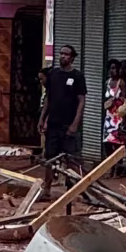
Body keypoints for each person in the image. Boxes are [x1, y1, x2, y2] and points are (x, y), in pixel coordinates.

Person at [40, 43, 88, 185]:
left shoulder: (77, 76)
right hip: (53, 124)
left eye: (66, 54)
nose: (62, 56)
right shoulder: (53, 74)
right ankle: (47, 188)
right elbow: (48, 98)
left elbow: (81, 101)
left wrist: (75, 124)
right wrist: (42, 118)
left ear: (72, 58)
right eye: (61, 53)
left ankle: (70, 189)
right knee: (50, 157)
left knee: (71, 159)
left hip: (69, 125)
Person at [102, 61, 126, 173]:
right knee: (107, 143)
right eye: (110, 68)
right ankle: (111, 166)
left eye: (114, 68)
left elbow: (125, 100)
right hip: (109, 117)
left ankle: (119, 168)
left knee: (118, 144)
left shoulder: (121, 83)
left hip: (118, 117)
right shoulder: (107, 82)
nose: (112, 71)